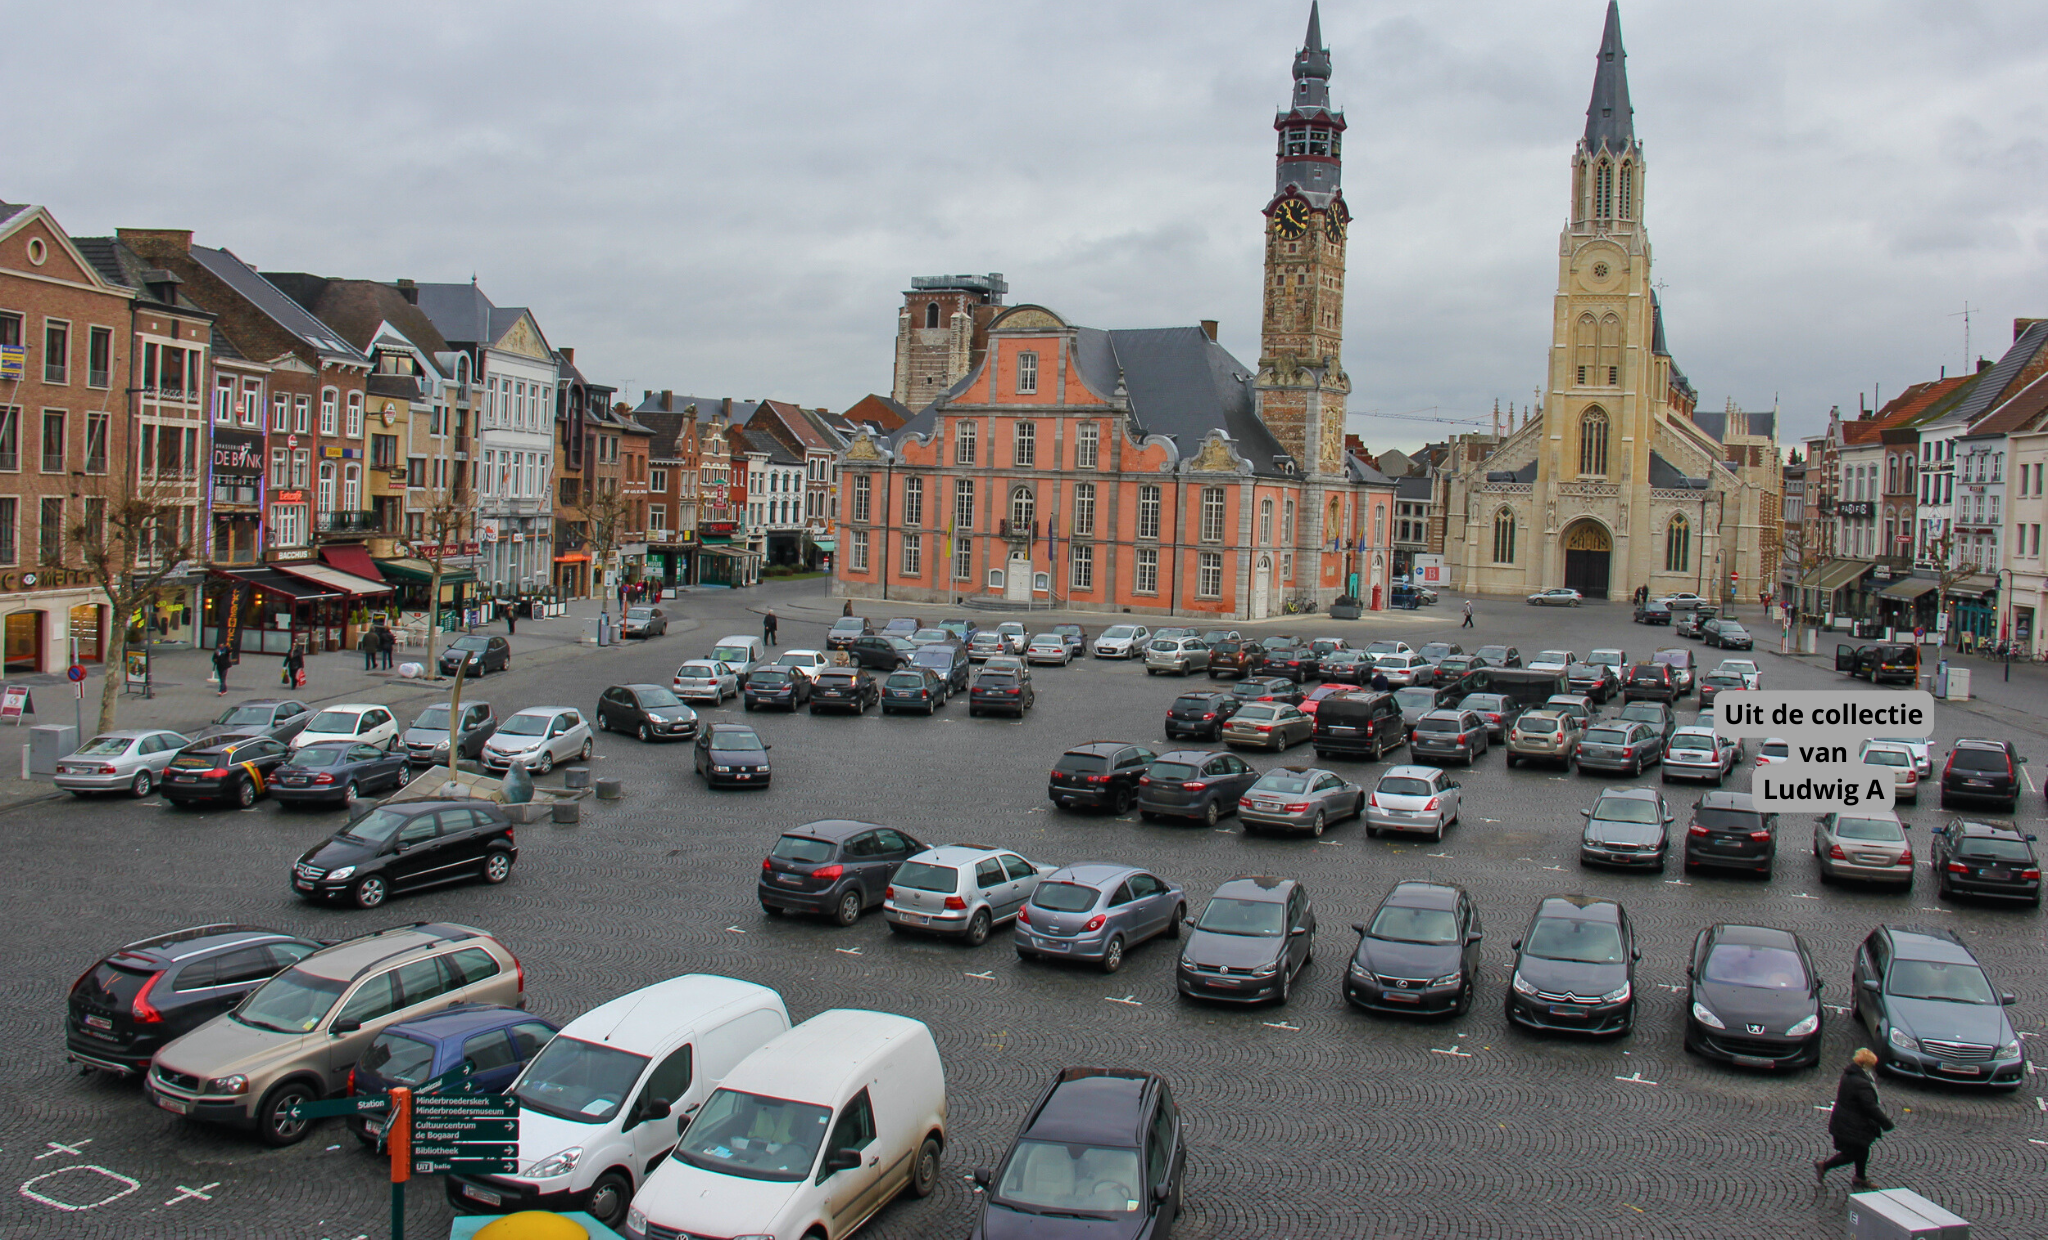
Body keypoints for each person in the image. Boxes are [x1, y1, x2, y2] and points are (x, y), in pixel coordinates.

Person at [1815, 1048, 1894, 1190]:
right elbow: (1870, 1107)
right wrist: (1886, 1123)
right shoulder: (1861, 1083)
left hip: (1847, 1121)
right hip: (1852, 1125)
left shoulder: (1849, 1075)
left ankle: (1860, 1177)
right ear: (1865, 1065)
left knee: (1862, 1149)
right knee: (1852, 1153)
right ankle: (1824, 1166)